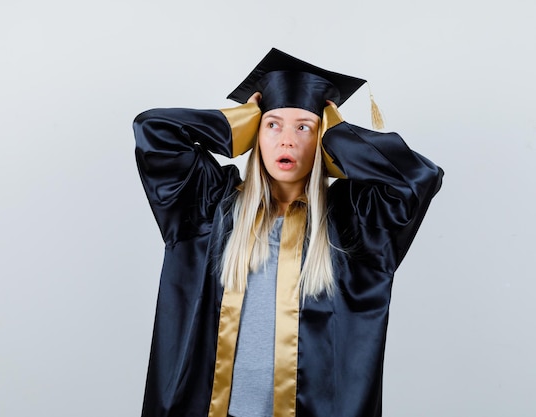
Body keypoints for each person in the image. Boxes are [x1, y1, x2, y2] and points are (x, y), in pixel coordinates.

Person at [133, 48, 443, 417]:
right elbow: (155, 131)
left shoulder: (354, 225)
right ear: (254, 134)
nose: (287, 141)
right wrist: (241, 121)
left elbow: (417, 178)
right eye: (272, 125)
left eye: (304, 128)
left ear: (323, 138)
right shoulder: (207, 209)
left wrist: (338, 135)